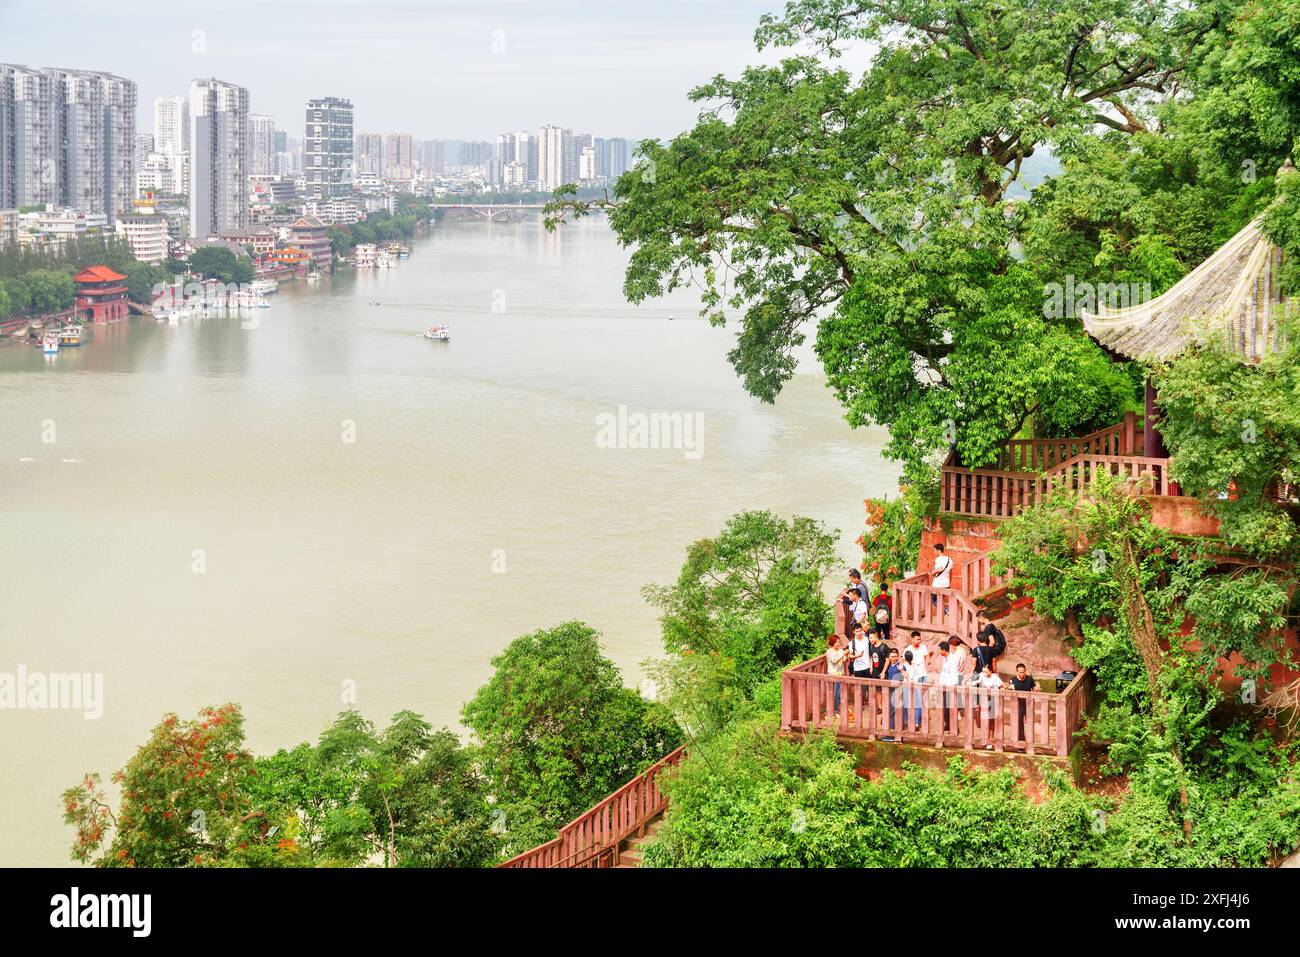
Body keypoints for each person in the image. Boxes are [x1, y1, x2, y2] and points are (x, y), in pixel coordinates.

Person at [974, 665, 1003, 748]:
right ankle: (984, 740)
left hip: (993, 701)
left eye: (986, 671)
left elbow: (1003, 686)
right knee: (982, 721)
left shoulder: (995, 678)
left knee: (991, 721)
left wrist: (997, 691)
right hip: (983, 701)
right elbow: (975, 684)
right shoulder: (981, 676)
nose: (984, 673)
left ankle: (990, 740)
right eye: (983, 671)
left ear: (990, 671)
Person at [904, 631, 929, 726]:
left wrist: (928, 659)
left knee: (923, 699)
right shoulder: (908, 650)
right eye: (917, 639)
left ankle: (920, 720)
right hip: (913, 677)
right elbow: (904, 661)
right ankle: (913, 721)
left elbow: (927, 656)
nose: (919, 641)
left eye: (920, 639)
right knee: (913, 700)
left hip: (923, 675)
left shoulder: (923, 647)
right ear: (912, 639)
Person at [839, 569, 870, 643]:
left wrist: (856, 624)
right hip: (863, 611)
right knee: (862, 636)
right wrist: (845, 597)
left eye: (852, 579)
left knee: (863, 636)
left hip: (862, 618)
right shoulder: (863, 584)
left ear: (856, 578)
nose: (851, 581)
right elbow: (853, 598)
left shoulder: (859, 588)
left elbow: (863, 614)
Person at [937, 640, 961, 731]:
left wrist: (952, 687)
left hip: (950, 687)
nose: (939, 651)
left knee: (950, 708)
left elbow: (954, 674)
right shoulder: (945, 659)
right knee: (944, 708)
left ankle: (955, 727)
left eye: (940, 650)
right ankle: (948, 725)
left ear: (944, 650)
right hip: (944, 687)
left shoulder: (952, 659)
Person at [1010, 663, 1036, 743]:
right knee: (1020, 724)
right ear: (1017, 672)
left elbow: (1034, 688)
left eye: (1023, 672)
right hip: (1018, 705)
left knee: (1030, 723)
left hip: (1028, 704)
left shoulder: (1030, 679)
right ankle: (1021, 742)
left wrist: (1036, 690)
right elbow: (1011, 690)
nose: (1022, 674)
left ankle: (1030, 741)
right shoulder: (1013, 680)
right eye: (1020, 672)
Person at [883, 649, 905, 740]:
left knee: (894, 712)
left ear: (898, 657)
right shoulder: (890, 666)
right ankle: (896, 734)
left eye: (895, 656)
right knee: (892, 712)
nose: (893, 658)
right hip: (891, 691)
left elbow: (906, 676)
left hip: (898, 692)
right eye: (891, 656)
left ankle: (892, 735)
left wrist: (902, 670)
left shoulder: (900, 666)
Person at [826, 634, 848, 718]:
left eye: (839, 642)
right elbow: (834, 661)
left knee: (837, 694)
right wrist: (843, 654)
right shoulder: (829, 652)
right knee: (832, 694)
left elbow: (843, 660)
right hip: (832, 675)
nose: (838, 644)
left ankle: (835, 711)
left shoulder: (840, 650)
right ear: (832, 643)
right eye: (836, 642)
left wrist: (846, 656)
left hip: (840, 674)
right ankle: (828, 712)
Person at [931, 543, 954, 616]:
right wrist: (949, 583)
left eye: (934, 550)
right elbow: (951, 573)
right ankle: (945, 612)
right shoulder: (949, 560)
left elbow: (940, 569)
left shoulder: (938, 559)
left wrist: (932, 572)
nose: (933, 552)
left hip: (938, 584)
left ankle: (946, 610)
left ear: (939, 550)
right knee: (940, 601)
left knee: (934, 600)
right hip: (946, 584)